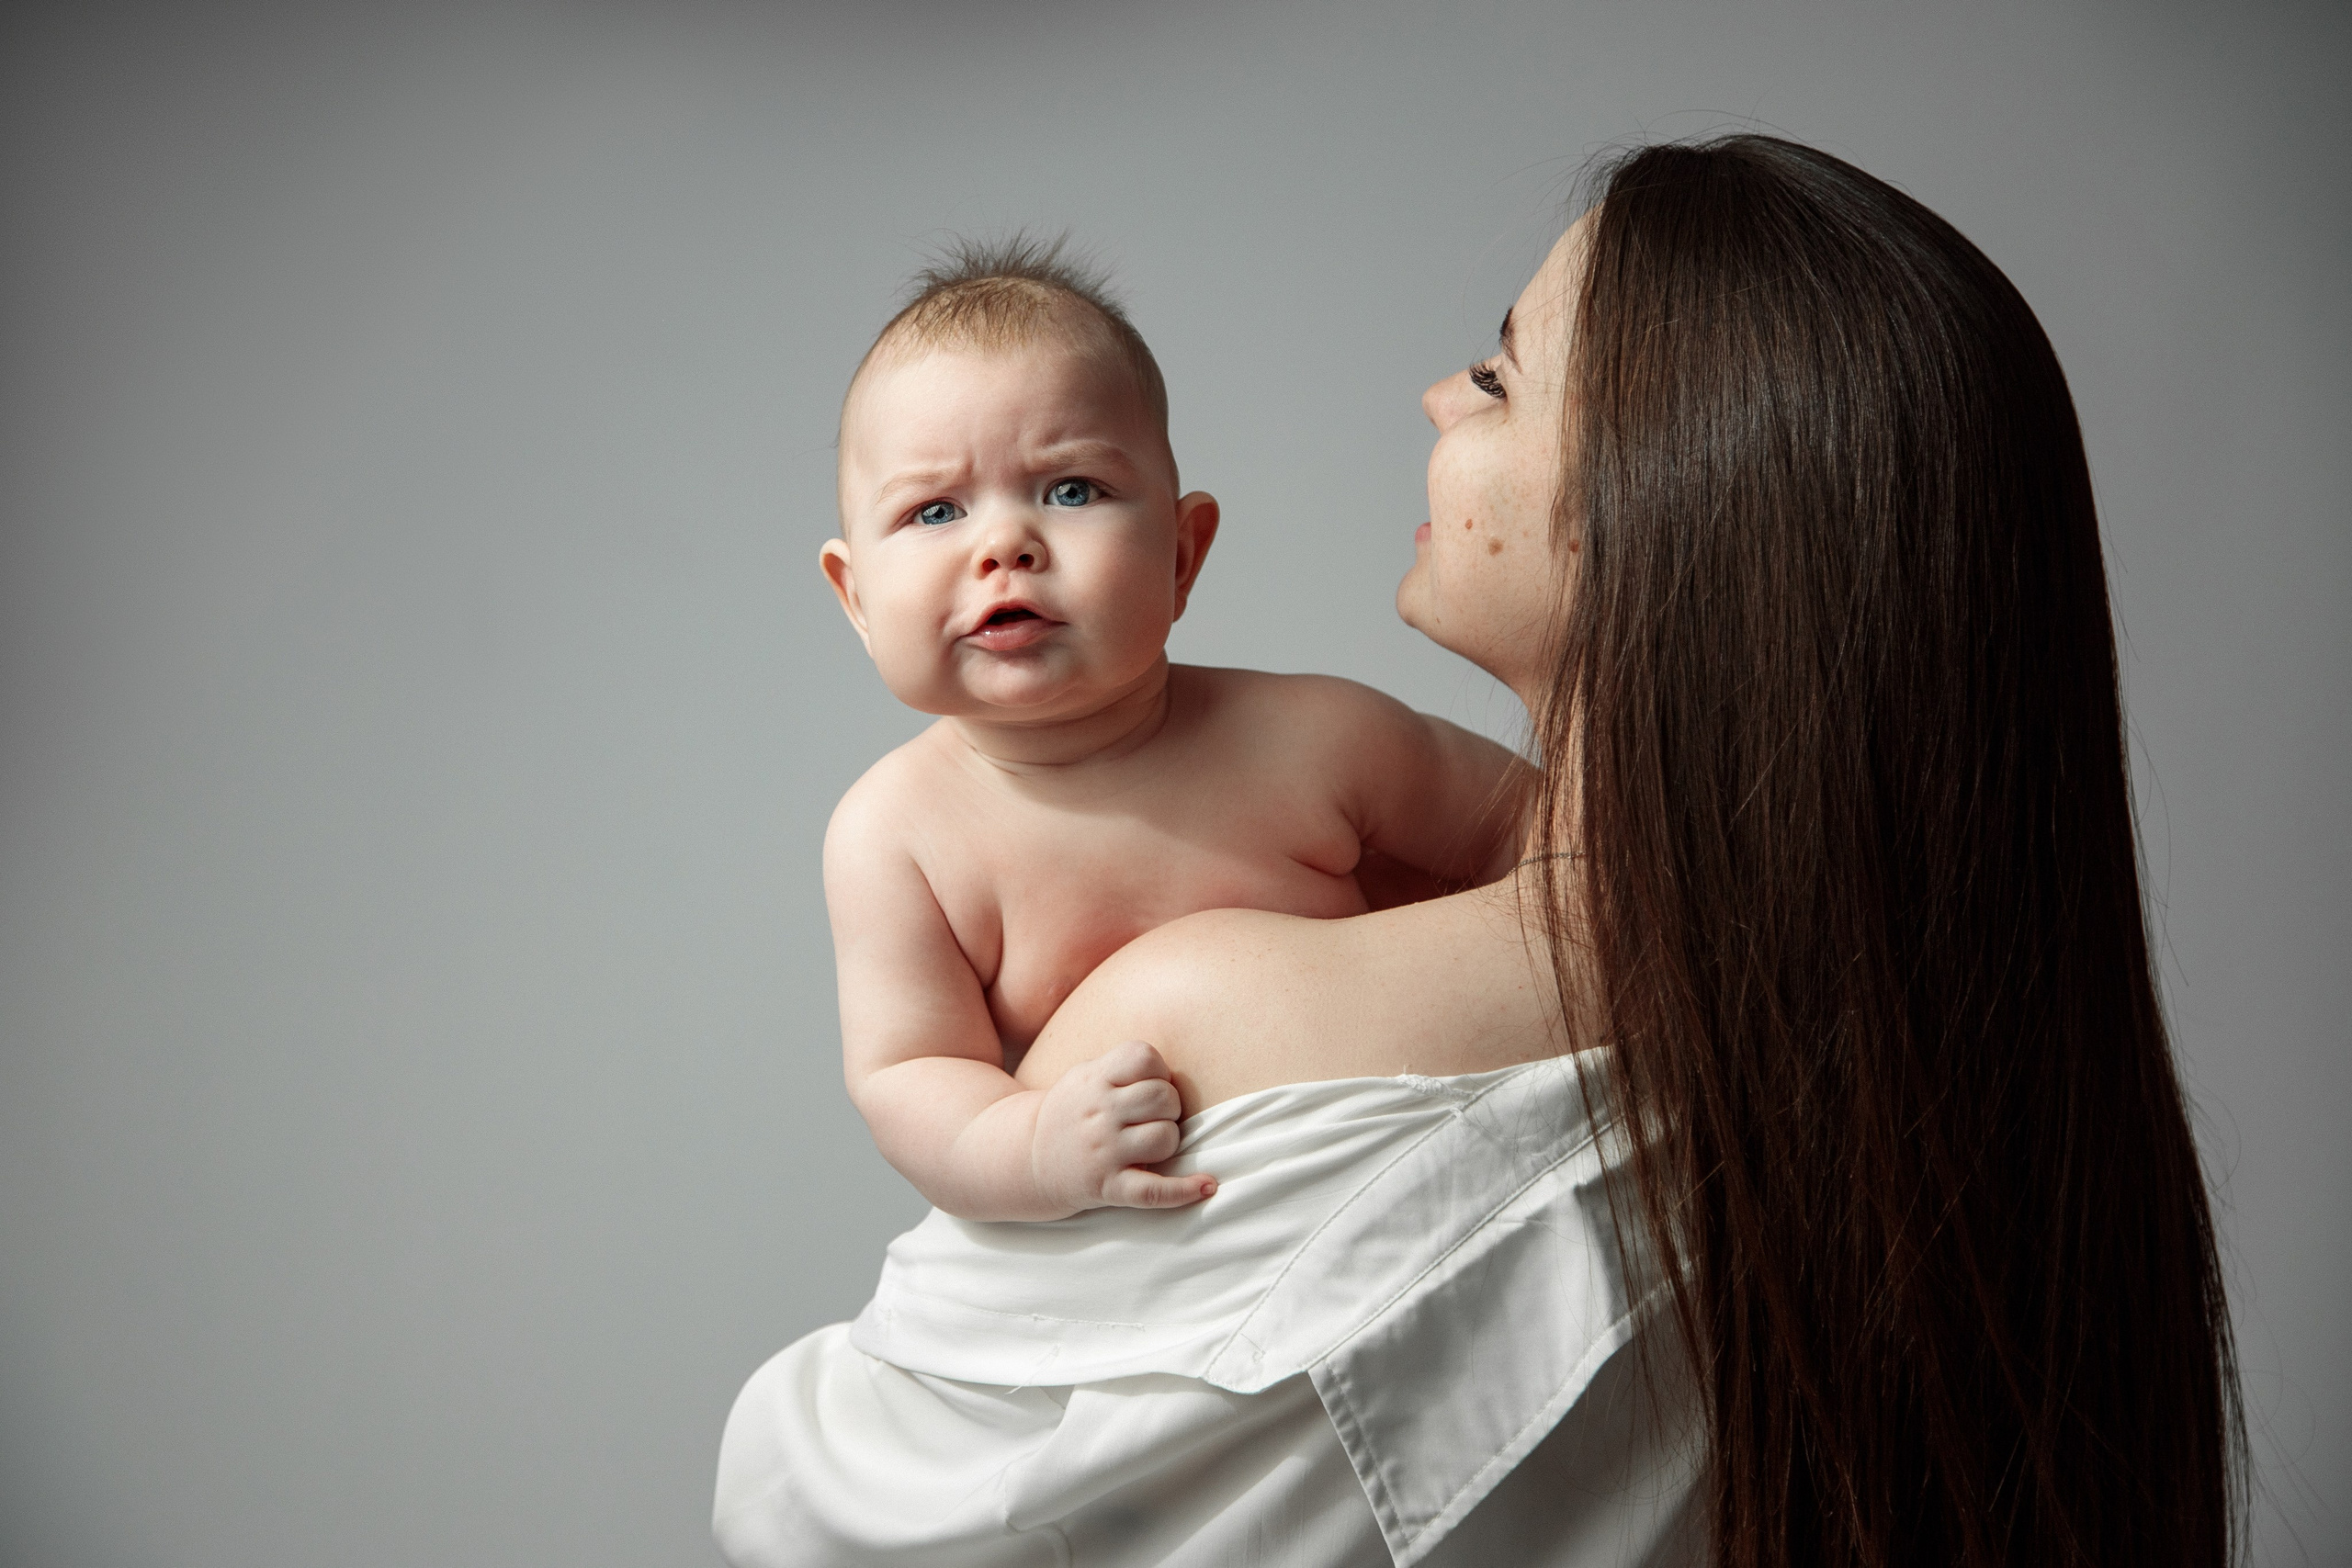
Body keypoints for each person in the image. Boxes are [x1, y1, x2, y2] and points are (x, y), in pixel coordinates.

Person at [718, 135, 2243, 1567]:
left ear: (1666, 502)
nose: (1442, 396)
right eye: (934, 510)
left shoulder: (1209, 989)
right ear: (851, 586)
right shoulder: (1959, 1064)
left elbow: (849, 1507)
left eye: (1502, 376)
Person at [819, 241, 1525, 1221]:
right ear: (856, 598)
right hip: (1144, 1261)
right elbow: (908, 1073)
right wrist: (1033, 1145)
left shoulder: (1318, 738)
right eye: (935, 510)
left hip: (1394, 1210)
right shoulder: (895, 839)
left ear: (1182, 555)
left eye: (1071, 490)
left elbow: (1553, 837)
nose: (1004, 545)